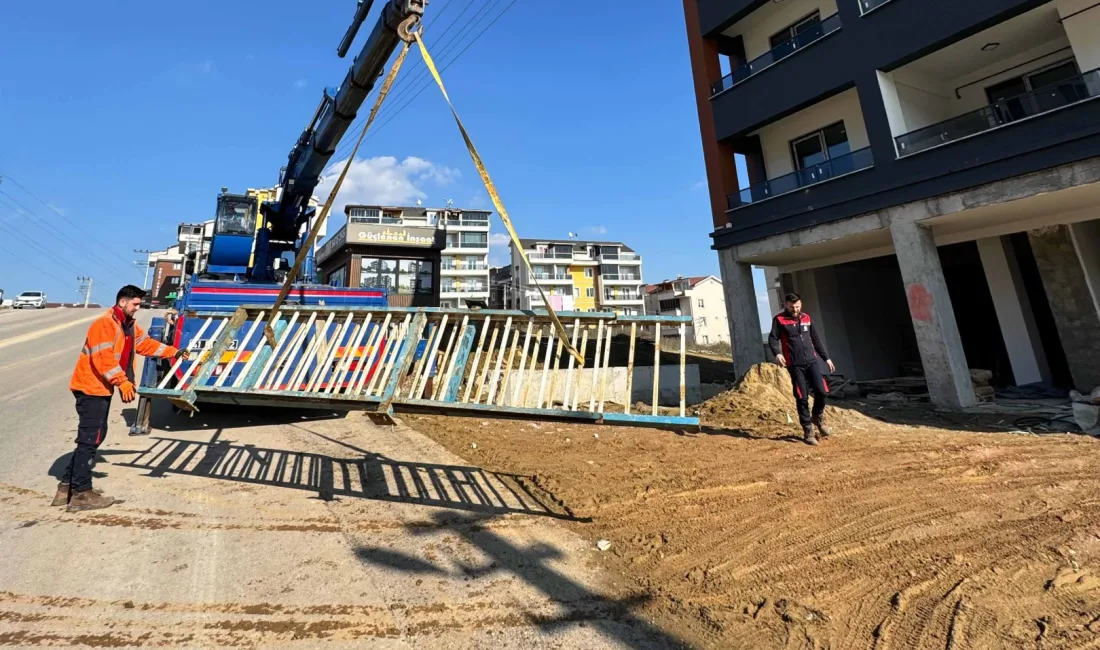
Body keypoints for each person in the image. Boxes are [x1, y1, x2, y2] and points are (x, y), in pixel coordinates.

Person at [55, 285, 188, 511]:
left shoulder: (127, 325)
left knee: (95, 435)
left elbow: (145, 345)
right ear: (122, 302)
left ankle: (66, 487)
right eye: (135, 304)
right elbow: (103, 359)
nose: (138, 308)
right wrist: (122, 381)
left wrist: (173, 352)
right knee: (91, 438)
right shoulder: (104, 324)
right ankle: (81, 493)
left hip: (100, 388)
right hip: (90, 388)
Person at [768, 293, 835, 446]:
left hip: (812, 362)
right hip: (794, 364)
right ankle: (807, 429)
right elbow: (773, 338)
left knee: (822, 391)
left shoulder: (807, 318)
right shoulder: (779, 320)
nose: (795, 310)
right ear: (786, 305)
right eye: (792, 307)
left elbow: (816, 339)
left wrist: (826, 358)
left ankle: (817, 416)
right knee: (801, 396)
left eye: (797, 306)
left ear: (801, 304)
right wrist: (777, 353)